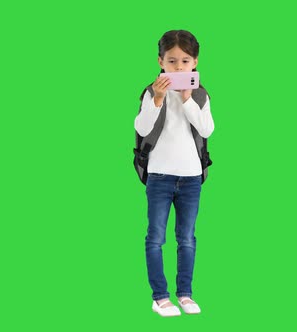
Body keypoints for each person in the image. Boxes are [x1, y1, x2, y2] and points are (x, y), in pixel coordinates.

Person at [134, 30, 215, 317]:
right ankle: (159, 297)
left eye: (184, 61)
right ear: (160, 61)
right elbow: (142, 129)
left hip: (191, 177)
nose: (178, 67)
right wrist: (157, 99)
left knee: (187, 238)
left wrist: (186, 99)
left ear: (195, 62)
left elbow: (207, 130)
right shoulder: (150, 92)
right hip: (159, 176)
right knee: (155, 237)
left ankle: (185, 293)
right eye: (171, 61)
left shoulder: (200, 94)